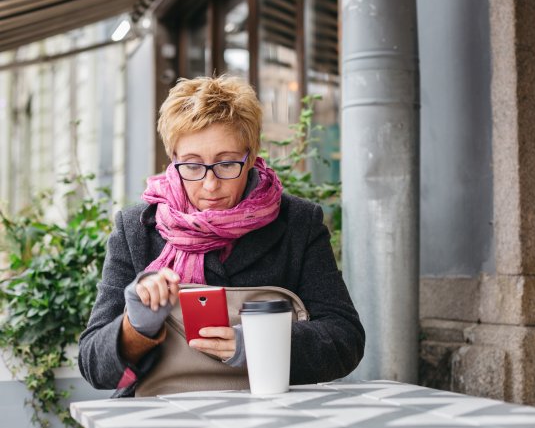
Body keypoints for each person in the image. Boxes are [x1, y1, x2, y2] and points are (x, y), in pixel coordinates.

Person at [78, 75, 365, 397]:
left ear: (251, 156)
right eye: (192, 165)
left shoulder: (298, 222)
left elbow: (346, 340)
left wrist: (259, 345)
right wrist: (136, 327)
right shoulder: (136, 228)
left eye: (227, 163)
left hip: (271, 414)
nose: (210, 185)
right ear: (173, 160)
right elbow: (92, 365)